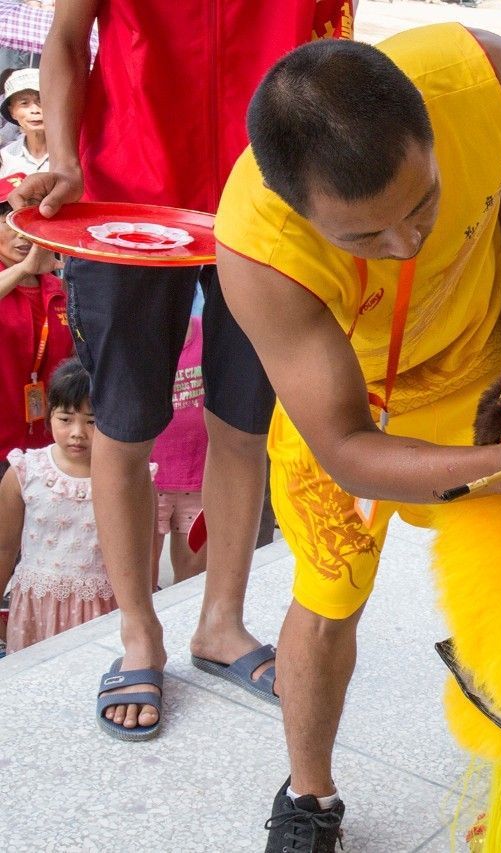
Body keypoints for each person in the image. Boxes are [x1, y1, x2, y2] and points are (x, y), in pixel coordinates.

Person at [212, 28, 501, 848]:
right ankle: (309, 796)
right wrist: (499, 466)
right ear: (297, 211)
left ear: (430, 126)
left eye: (422, 203)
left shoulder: (484, 77)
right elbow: (348, 445)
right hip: (359, 410)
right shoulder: (258, 255)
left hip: (476, 370)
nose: (406, 243)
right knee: (326, 600)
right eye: (362, 238)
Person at [7, 0, 355, 742]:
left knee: (243, 423)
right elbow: (68, 37)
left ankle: (221, 622)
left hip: (266, 197)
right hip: (122, 191)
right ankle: (138, 633)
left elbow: (329, 51)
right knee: (124, 429)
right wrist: (63, 159)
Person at [0, 358, 133, 653]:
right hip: (36, 606)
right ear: (49, 416)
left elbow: (141, 550)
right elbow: (4, 547)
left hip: (103, 605)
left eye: (92, 421)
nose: (77, 432)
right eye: (66, 418)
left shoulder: (126, 478)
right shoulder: (24, 471)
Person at [0, 198, 68, 474]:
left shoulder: (61, 289)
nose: (20, 233)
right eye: (8, 221)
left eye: (28, 220)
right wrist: (24, 269)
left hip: (49, 449)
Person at [149, 311, 209, 587]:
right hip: (149, 480)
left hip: (197, 479)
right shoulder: (137, 337)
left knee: (192, 578)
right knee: (143, 579)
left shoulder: (207, 335)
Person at [0, 68, 47, 175]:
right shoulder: (4, 157)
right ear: (12, 111)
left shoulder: (70, 158)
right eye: (24, 103)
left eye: (42, 101)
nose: (35, 110)